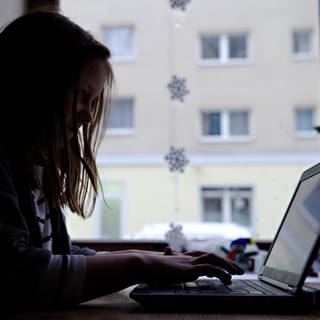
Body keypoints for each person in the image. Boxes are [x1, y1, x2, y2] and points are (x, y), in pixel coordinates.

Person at [0, 10, 244, 310]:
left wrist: (153, 262)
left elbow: (58, 257)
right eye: (80, 96)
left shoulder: (36, 168)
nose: (88, 116)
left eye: (93, 101)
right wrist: (140, 263)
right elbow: (16, 275)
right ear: (36, 86)